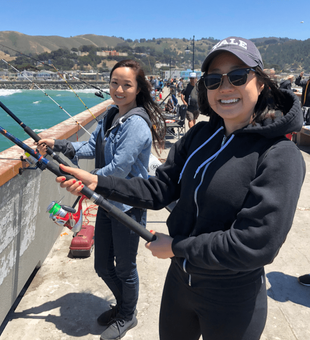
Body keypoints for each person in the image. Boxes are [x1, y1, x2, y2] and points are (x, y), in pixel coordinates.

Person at [55, 37, 305, 340]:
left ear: (262, 83)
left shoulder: (280, 155)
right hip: (179, 283)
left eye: (238, 76)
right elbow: (160, 189)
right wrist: (100, 183)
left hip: (232, 295)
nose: (225, 87)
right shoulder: (200, 135)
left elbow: (256, 243)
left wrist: (176, 247)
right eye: (214, 80)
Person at [37, 59, 166, 340]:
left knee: (125, 266)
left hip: (129, 205)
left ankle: (127, 314)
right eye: (114, 83)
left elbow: (118, 169)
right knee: (102, 266)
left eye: (126, 84)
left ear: (138, 88)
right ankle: (123, 306)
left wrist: (82, 179)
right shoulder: (111, 115)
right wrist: (59, 145)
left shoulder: (137, 124)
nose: (119, 89)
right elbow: (91, 146)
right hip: (106, 199)